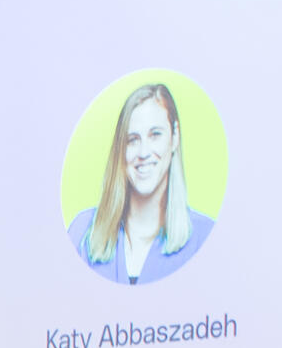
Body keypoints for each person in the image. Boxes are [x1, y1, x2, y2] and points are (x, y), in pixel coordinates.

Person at [65, 80, 211, 285]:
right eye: (132, 139)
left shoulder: (205, 237)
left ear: (175, 137)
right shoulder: (82, 232)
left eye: (155, 135)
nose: (143, 152)